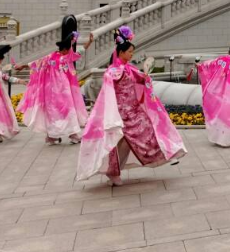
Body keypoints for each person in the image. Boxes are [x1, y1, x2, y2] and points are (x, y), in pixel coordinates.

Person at [77, 26, 187, 186]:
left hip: (134, 113)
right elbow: (108, 90)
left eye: (132, 52)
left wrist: (145, 77)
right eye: (129, 52)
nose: (131, 55)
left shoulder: (128, 69)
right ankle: (113, 172)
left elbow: (142, 79)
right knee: (118, 143)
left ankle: (169, 152)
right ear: (121, 53)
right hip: (119, 114)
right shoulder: (113, 72)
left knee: (146, 133)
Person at [15, 16, 92, 145]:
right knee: (68, 110)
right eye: (68, 49)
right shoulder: (64, 58)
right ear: (65, 50)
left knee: (53, 112)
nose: (69, 51)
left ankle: (52, 136)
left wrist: (22, 65)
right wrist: (88, 42)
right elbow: (80, 51)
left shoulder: (51, 57)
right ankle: (73, 135)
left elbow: (36, 63)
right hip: (63, 91)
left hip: (51, 92)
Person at [0, 45, 25, 142]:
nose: (0, 64)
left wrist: (17, 80)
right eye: (0, 61)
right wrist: (18, 80)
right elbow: (4, 77)